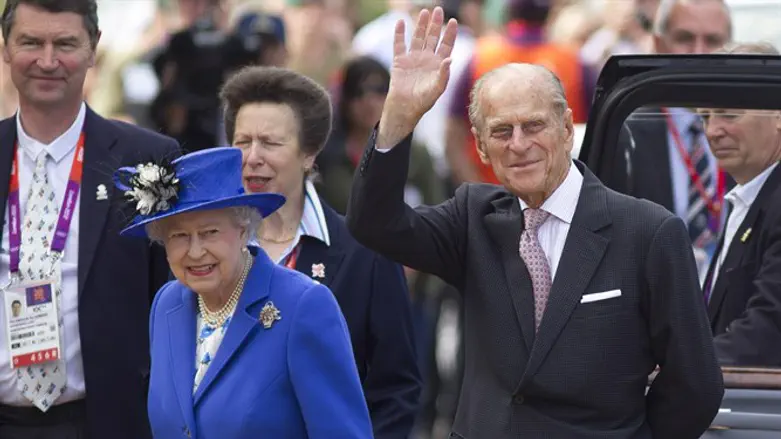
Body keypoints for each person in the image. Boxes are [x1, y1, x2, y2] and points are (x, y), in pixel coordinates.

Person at [346, 7, 724, 438]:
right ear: (482, 149)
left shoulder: (647, 232)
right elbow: (374, 224)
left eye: (534, 125)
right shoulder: (474, 218)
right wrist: (399, 115)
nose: (519, 144)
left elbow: (695, 384)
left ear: (566, 128)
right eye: (502, 131)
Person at [0, 1, 179, 438]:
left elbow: (175, 297)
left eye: (64, 43)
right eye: (30, 42)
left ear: (93, 48)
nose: (47, 61)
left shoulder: (148, 160)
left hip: (107, 420)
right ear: (5, 48)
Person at [114, 147, 373, 438]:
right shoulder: (166, 305)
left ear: (242, 229)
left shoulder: (303, 306)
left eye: (210, 232)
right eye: (179, 236)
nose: (196, 251)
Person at [219, 65, 422, 438]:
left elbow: (396, 389)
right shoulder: (207, 249)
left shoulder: (366, 253)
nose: (252, 157)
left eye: (271, 143)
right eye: (242, 142)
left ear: (309, 154)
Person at [611, 0, 734, 279]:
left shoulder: (755, 126)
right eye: (685, 38)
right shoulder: (625, 129)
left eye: (713, 40)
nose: (700, 52)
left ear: (730, 48)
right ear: (658, 43)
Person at [445, 0, 596, 186]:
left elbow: (453, 134)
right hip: (563, 193)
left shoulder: (482, 56)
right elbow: (599, 136)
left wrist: (477, 195)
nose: (519, 144)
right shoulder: (574, 60)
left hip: (490, 190)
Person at [699, 42, 781, 367]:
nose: (712, 131)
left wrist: (685, 370)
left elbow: (769, 328)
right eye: (705, 116)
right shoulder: (749, 197)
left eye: (729, 114)